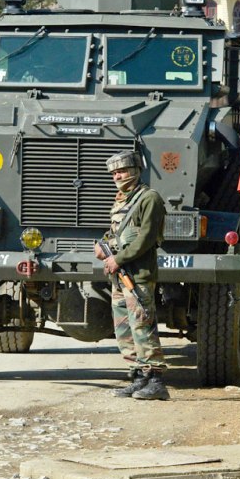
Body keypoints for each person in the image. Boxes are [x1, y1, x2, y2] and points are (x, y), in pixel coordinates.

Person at [94, 150, 169, 400]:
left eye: (122, 171)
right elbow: (117, 233)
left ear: (136, 170)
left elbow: (147, 238)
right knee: (124, 330)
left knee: (143, 326)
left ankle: (156, 380)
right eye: (114, 173)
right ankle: (138, 378)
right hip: (119, 276)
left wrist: (118, 258)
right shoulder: (122, 200)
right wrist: (103, 245)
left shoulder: (149, 199)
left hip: (138, 276)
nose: (117, 176)